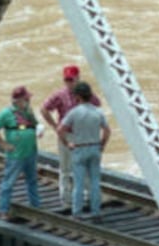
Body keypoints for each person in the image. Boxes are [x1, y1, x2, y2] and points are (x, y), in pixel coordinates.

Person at [41, 64, 100, 210]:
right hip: (66, 134)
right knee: (66, 167)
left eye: (71, 80)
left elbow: (97, 106)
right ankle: (65, 197)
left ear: (78, 78)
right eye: (66, 80)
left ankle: (87, 196)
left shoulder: (87, 94)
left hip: (83, 135)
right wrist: (55, 126)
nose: (69, 83)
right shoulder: (60, 95)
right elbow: (44, 109)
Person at [57, 81, 110, 220]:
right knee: (95, 182)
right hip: (94, 147)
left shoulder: (74, 112)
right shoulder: (98, 112)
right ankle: (96, 211)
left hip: (79, 148)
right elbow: (107, 130)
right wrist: (102, 144)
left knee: (79, 183)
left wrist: (67, 143)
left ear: (78, 97)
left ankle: (77, 212)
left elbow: (60, 129)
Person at [0, 85, 41, 218]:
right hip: (16, 155)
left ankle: (36, 206)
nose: (28, 101)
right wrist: (3, 144)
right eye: (26, 98)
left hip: (30, 152)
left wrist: (39, 130)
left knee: (32, 180)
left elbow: (35, 124)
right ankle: (3, 209)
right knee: (9, 182)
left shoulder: (29, 111)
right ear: (18, 100)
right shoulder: (6, 113)